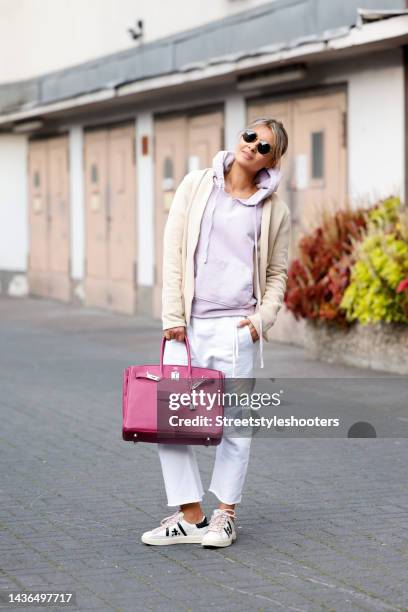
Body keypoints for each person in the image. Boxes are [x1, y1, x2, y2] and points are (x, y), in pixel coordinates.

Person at [141, 117, 291, 548]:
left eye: (264, 146)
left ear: (272, 159)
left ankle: (225, 515)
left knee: (236, 425)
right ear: (239, 137)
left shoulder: (274, 208)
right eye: (250, 136)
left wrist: (261, 321)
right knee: (170, 423)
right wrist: (172, 315)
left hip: (236, 329)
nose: (252, 147)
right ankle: (190, 516)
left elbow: (278, 272)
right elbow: (173, 250)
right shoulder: (196, 185)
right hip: (187, 328)